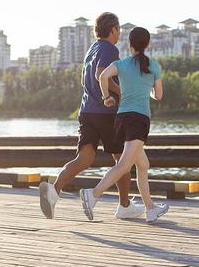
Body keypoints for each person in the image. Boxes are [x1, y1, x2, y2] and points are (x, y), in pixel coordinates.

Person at [39, 12, 145, 220]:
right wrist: (119, 92)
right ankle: (124, 205)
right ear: (113, 30)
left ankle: (54, 191)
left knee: (84, 158)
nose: (119, 35)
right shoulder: (109, 49)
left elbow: (87, 79)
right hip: (106, 112)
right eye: (119, 30)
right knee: (122, 160)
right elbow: (101, 74)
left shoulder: (91, 50)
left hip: (87, 111)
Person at [79, 26, 169, 223]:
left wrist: (106, 97)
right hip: (139, 120)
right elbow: (159, 95)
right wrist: (148, 90)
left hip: (121, 119)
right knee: (124, 165)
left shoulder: (121, 64)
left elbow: (102, 76)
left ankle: (150, 208)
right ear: (148, 44)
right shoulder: (153, 66)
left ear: (129, 45)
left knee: (143, 165)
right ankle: (92, 194)